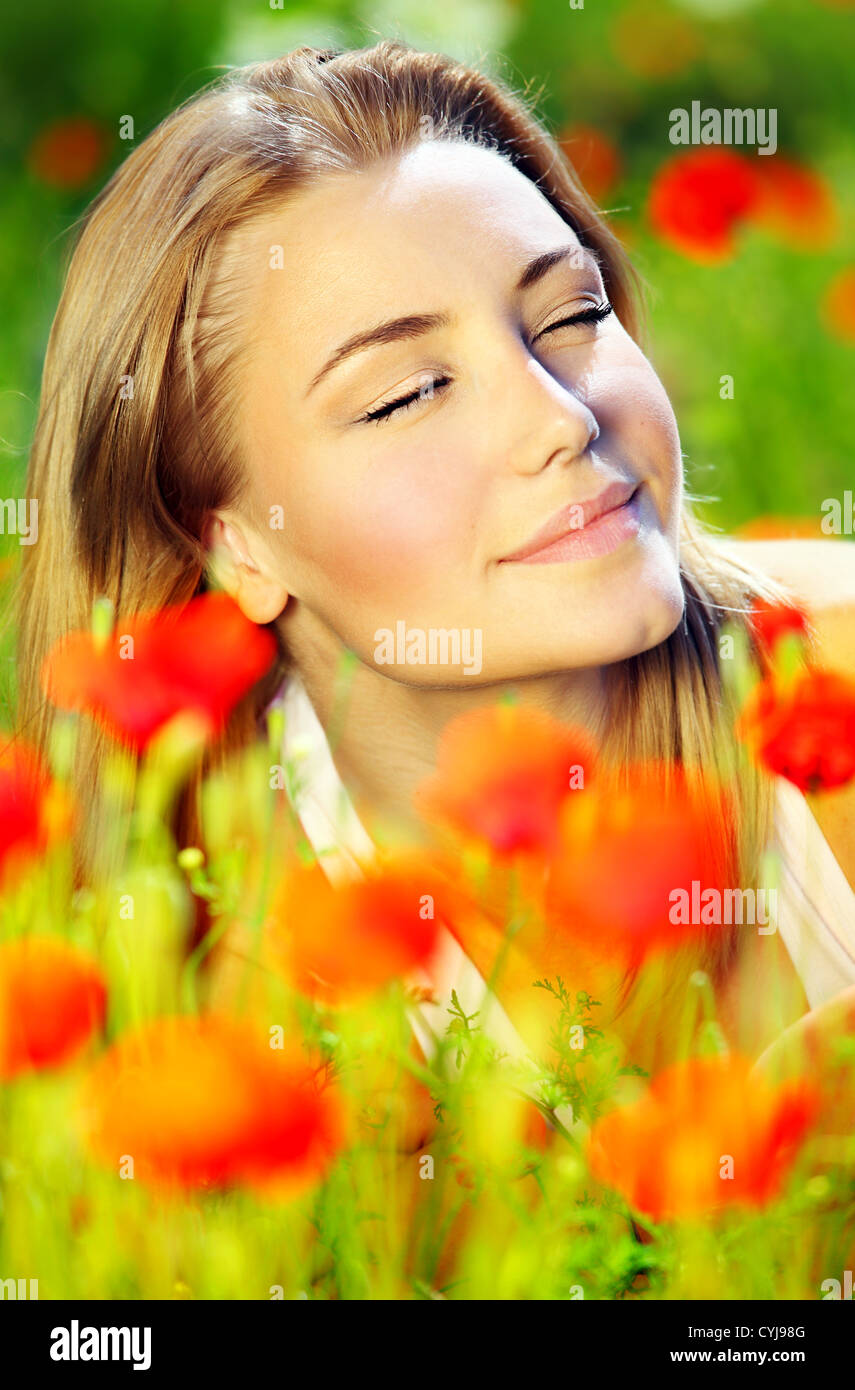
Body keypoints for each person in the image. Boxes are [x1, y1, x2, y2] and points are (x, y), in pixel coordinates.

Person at [15, 39, 855, 1155]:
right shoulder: (202, 997)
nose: (561, 418)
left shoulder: (829, 680)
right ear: (234, 548)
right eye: (408, 393)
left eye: (569, 318)